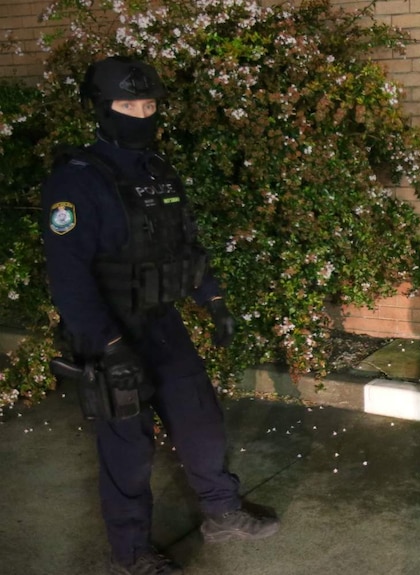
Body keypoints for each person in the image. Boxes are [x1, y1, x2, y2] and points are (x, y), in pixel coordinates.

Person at [42, 56, 279, 575]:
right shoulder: (76, 181)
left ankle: (221, 511)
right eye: (129, 104)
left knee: (200, 420)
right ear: (102, 110)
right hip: (109, 332)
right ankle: (131, 555)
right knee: (128, 449)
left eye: (149, 104)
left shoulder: (158, 171)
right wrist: (106, 347)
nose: (141, 114)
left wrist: (213, 301)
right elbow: (69, 278)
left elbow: (186, 247)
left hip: (161, 320)